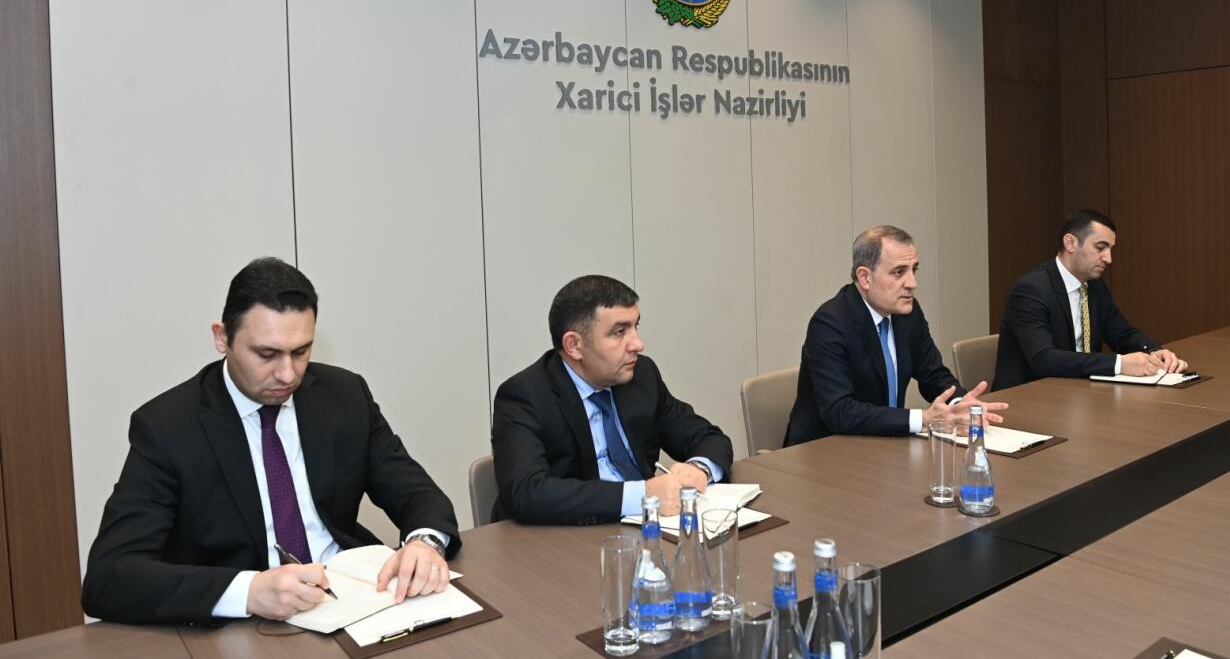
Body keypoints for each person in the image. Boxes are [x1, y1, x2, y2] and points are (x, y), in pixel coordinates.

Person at [81, 257, 460, 625]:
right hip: (242, 628)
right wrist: (249, 592)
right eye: (267, 354)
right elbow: (109, 577)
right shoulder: (167, 428)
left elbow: (418, 495)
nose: (288, 374)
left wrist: (425, 544)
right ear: (222, 337)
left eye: (301, 351)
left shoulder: (345, 395)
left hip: (353, 603)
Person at [491, 274, 733, 525]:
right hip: (570, 536)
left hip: (651, 528)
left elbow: (708, 437)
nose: (638, 344)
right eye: (619, 332)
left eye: (636, 326)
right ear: (574, 345)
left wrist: (699, 469)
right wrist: (643, 495)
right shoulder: (525, 396)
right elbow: (528, 493)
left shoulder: (641, 375)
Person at [785, 225, 1007, 445]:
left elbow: (934, 374)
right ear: (865, 278)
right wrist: (924, 419)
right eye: (899, 272)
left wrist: (960, 404)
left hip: (882, 444)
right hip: (824, 449)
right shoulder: (830, 323)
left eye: (914, 270)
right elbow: (840, 411)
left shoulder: (907, 313)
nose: (912, 283)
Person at [994, 209, 1188, 390]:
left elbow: (1123, 334)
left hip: (1080, 392)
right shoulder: (1031, 290)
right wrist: (1120, 364)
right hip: (1029, 396)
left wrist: (1153, 351)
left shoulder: (1095, 286)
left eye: (1110, 249)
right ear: (1070, 243)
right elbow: (1043, 359)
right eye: (1100, 247)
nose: (1108, 258)